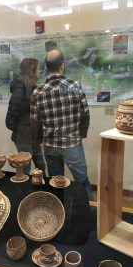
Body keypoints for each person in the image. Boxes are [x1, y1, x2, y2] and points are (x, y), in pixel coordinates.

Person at [30, 49, 94, 201]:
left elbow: (35, 122)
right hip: (72, 143)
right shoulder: (75, 86)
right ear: (62, 66)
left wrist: (39, 140)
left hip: (50, 146)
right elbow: (85, 115)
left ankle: (59, 214)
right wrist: (81, 134)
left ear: (47, 67)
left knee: (55, 183)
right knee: (82, 181)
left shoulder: (37, 92)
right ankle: (90, 215)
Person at [5, 58, 46, 175]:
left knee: (41, 166)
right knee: (25, 169)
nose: (40, 71)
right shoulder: (20, 89)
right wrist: (22, 129)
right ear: (32, 71)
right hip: (24, 136)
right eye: (38, 69)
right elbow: (10, 119)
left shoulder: (32, 88)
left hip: (34, 135)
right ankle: (25, 192)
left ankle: (39, 191)